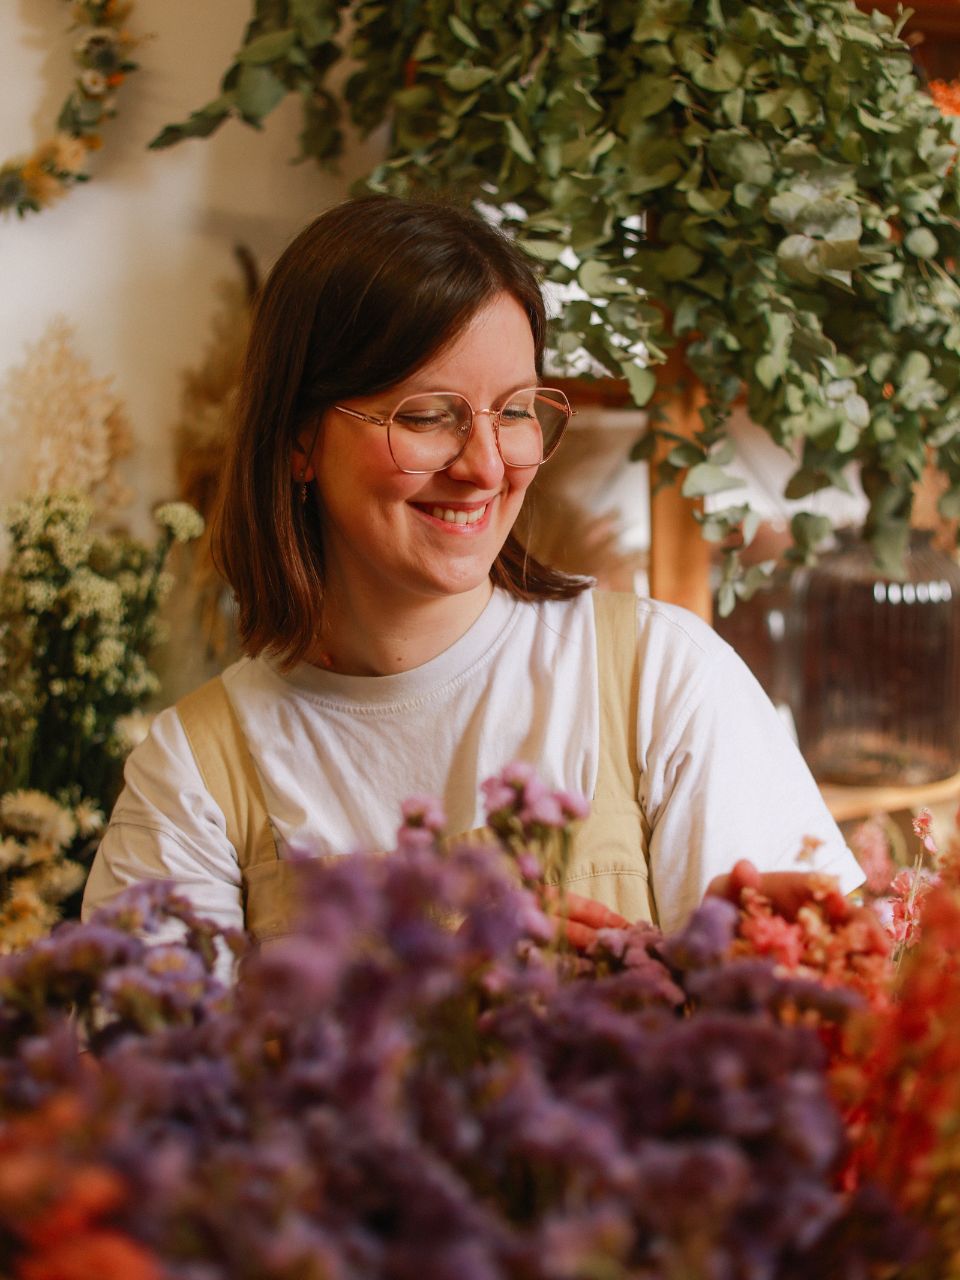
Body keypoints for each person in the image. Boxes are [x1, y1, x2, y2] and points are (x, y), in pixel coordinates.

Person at [82, 194, 863, 949]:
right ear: (299, 440)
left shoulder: (658, 678)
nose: (487, 466)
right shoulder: (195, 777)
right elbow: (147, 1081)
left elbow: (811, 1034)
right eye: (426, 416)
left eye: (517, 409)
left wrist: (737, 969)